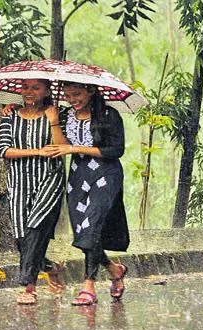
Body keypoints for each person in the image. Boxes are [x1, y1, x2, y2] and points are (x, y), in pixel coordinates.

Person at [49, 82, 129, 306]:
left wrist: (75, 149)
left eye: (77, 94)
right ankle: (114, 269)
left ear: (91, 91)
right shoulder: (65, 115)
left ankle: (89, 286)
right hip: (78, 176)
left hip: (106, 175)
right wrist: (10, 109)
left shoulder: (108, 115)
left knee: (92, 225)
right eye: (68, 95)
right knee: (83, 231)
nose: (72, 99)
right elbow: (39, 115)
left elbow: (116, 150)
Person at [0, 79, 67, 305]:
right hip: (18, 181)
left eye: (36, 88)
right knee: (21, 238)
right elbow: (3, 149)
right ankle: (50, 267)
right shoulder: (10, 115)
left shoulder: (59, 113)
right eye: (25, 87)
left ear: (47, 91)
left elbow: (62, 147)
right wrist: (38, 152)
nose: (29, 92)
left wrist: (54, 121)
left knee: (35, 227)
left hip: (49, 179)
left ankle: (29, 286)